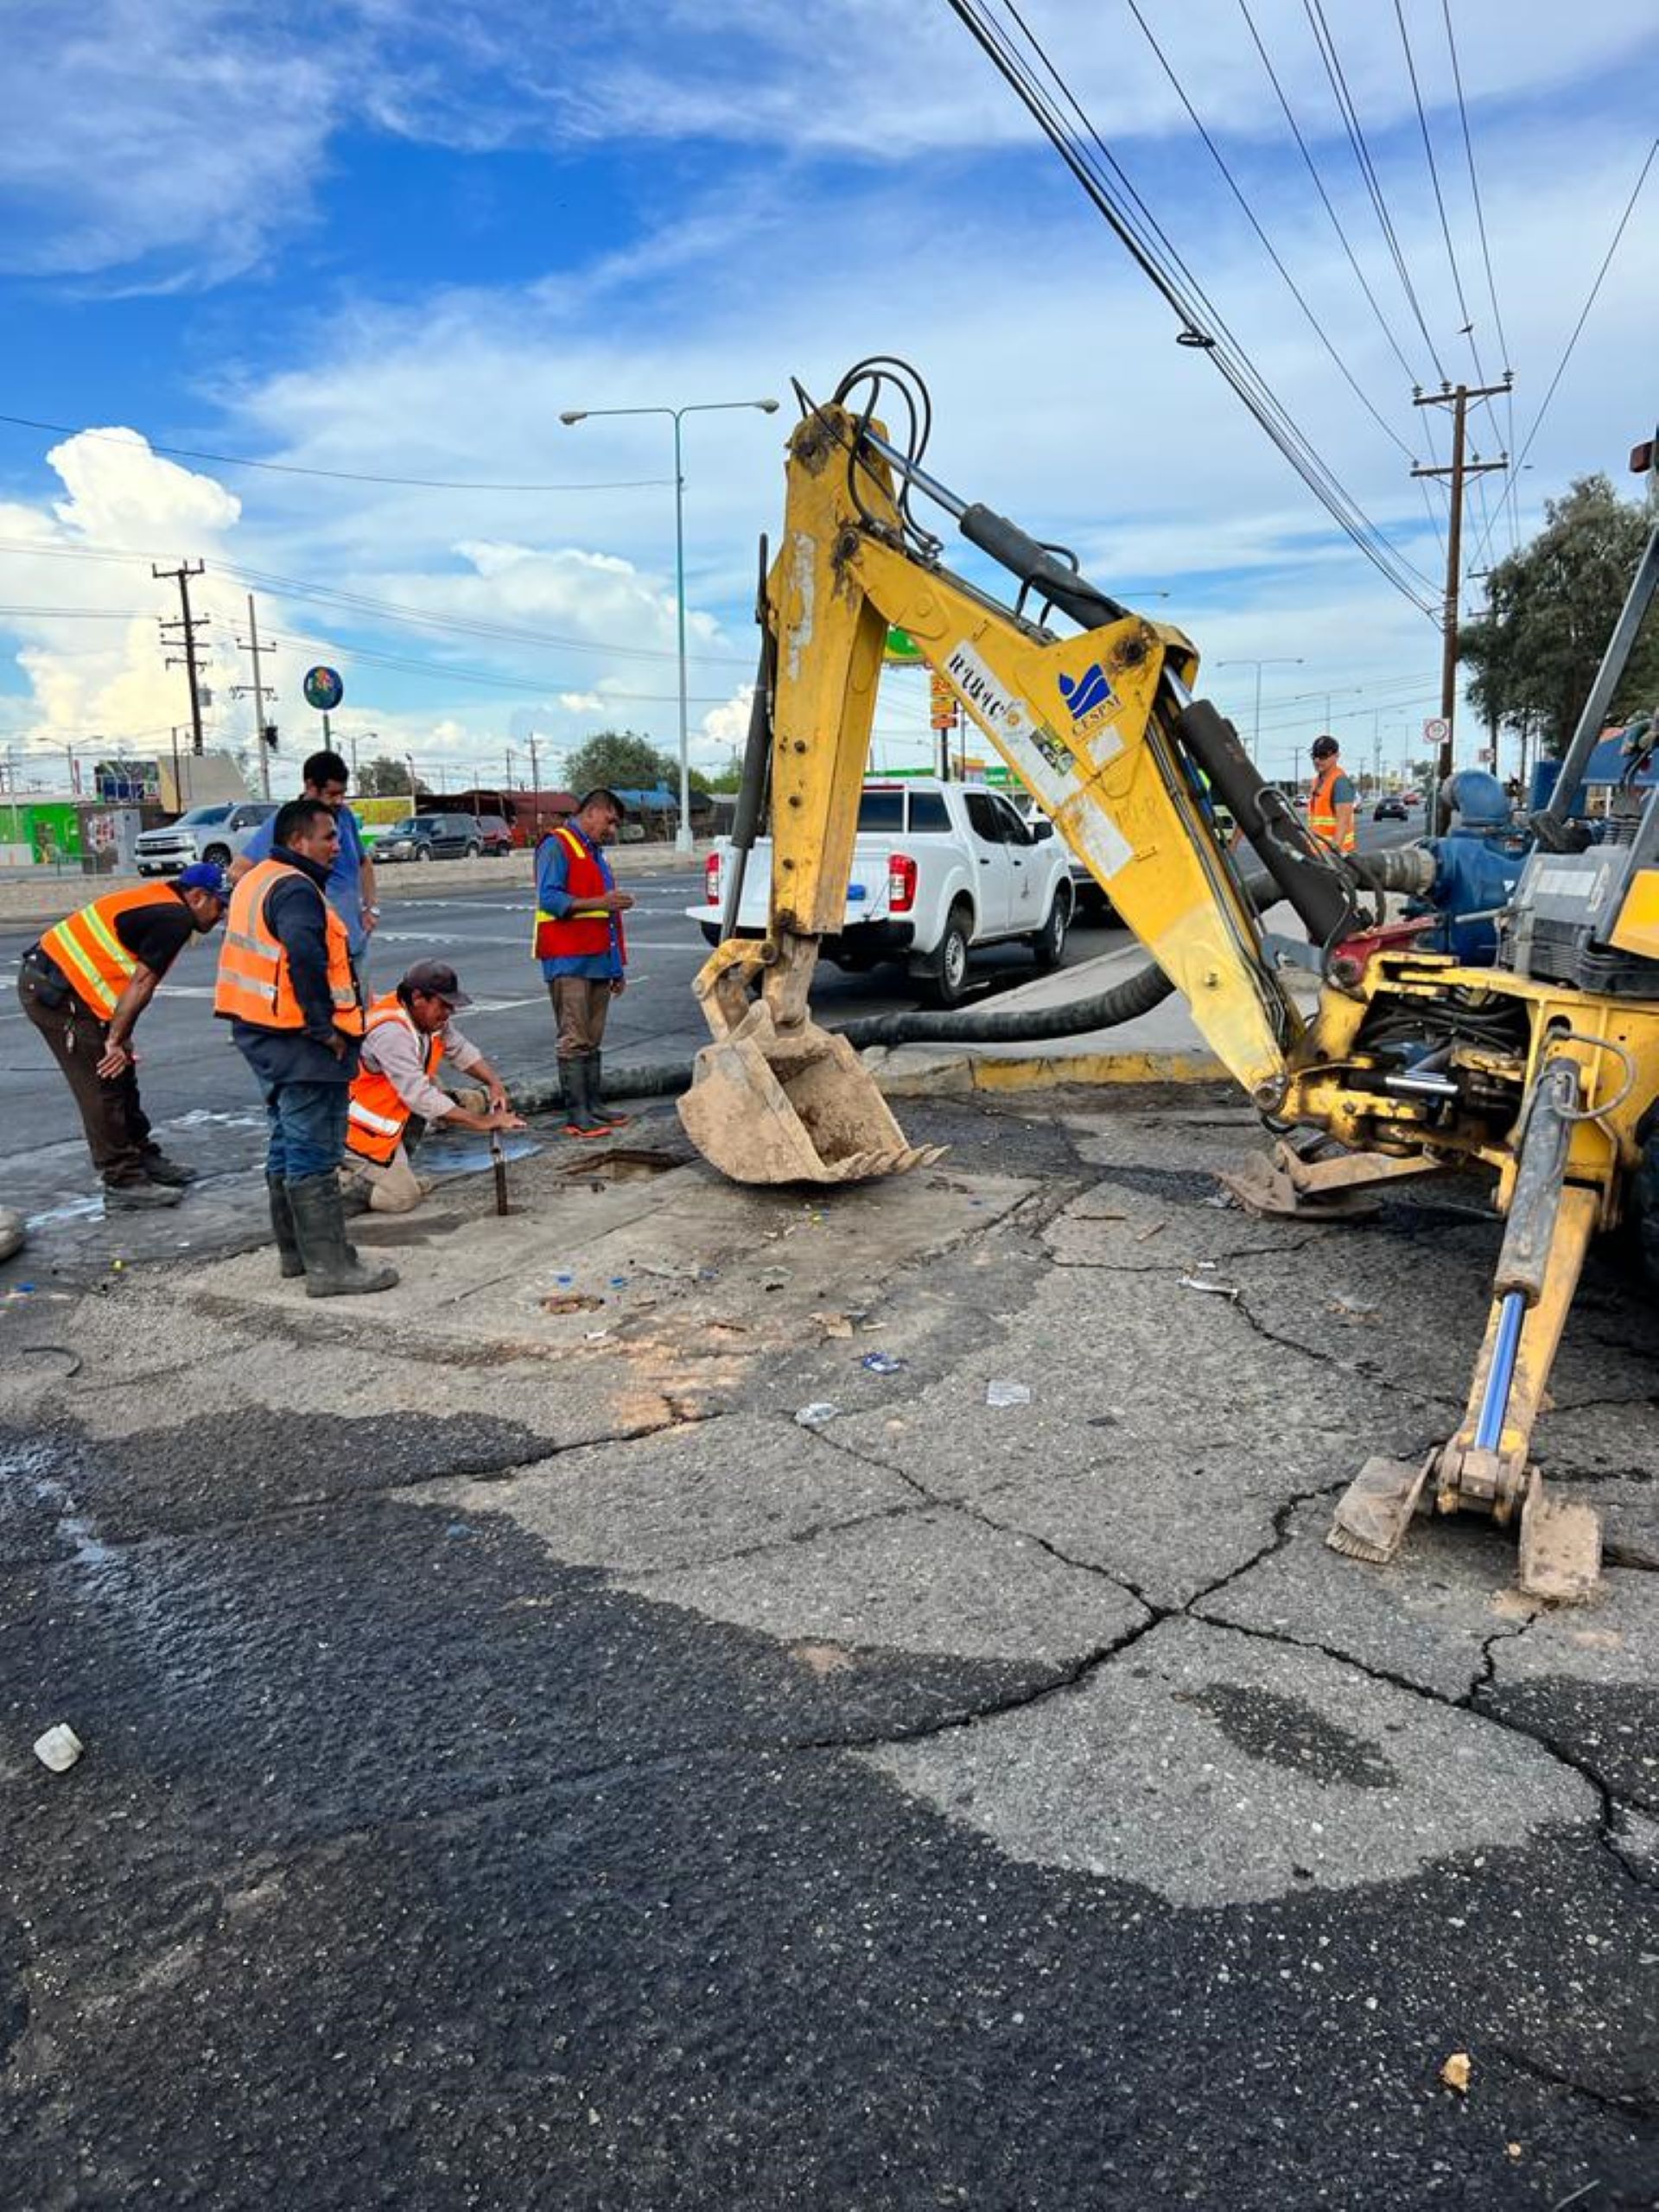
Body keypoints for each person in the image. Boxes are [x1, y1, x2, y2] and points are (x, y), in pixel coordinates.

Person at [214, 797, 396, 1297]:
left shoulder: (258, 879)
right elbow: (306, 961)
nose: (338, 847)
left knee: (286, 1141)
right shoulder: (297, 891)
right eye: (328, 837)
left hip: (261, 1032)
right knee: (314, 1149)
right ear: (299, 841)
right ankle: (331, 1267)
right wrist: (327, 1030)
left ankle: (297, 1254)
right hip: (300, 1040)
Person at [17, 861, 228, 1210]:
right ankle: (122, 1180)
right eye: (219, 904)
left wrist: (120, 1037)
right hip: (54, 993)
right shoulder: (174, 918)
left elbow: (122, 976)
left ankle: (143, 1157)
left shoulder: (165, 903)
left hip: (72, 990)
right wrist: (114, 1040)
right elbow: (142, 983)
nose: (220, 914)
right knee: (103, 1084)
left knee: (121, 1071)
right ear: (197, 896)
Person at [343, 960, 525, 1214]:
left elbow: (460, 1050)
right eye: (444, 1005)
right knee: (402, 1198)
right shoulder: (391, 1032)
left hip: (387, 1121)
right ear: (418, 998)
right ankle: (340, 1181)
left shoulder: (428, 1019)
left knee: (434, 1089)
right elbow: (419, 1096)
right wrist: (482, 1122)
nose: (449, 1013)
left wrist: (494, 1083)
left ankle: (388, 1169)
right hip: (356, 1133)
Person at [533, 787, 634, 1139]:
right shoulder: (556, 845)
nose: (611, 829)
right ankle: (578, 1115)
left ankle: (593, 1106)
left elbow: (607, 916)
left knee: (592, 1038)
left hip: (597, 960)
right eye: (610, 821)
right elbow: (549, 898)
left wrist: (617, 966)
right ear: (593, 812)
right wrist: (601, 901)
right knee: (575, 1038)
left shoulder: (596, 853)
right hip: (568, 958)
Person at [229, 747, 379, 978]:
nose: (339, 801)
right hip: (316, 952)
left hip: (354, 946)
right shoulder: (286, 820)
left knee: (358, 1013)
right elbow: (239, 871)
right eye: (331, 794)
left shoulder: (345, 816)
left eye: (342, 793)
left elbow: (363, 863)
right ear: (310, 786)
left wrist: (371, 909)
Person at [1307, 734, 1357, 855]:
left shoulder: (1341, 783)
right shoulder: (1316, 781)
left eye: (1323, 756)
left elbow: (1343, 823)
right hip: (1318, 853)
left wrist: (1332, 858)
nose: (1317, 760)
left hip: (1337, 858)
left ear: (1336, 756)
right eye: (1314, 756)